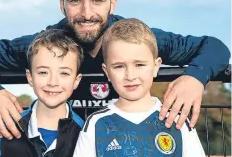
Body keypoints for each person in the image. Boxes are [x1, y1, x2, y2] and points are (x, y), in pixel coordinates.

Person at [0, 0, 230, 141]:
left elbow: (215, 46)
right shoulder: (45, 45)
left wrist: (194, 78)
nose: (86, 12)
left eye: (97, 0)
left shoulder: (137, 40)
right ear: (62, 4)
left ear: (113, 2)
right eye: (75, 0)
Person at [74, 18, 206, 157]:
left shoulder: (177, 122)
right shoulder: (96, 124)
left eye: (139, 65)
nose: (130, 76)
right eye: (119, 66)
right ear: (107, 72)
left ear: (156, 66)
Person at [0, 29, 84, 157]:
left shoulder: (85, 133)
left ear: (76, 80)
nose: (53, 82)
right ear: (30, 77)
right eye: (43, 72)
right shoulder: (9, 130)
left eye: (64, 73)